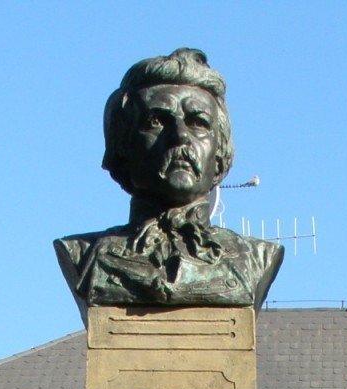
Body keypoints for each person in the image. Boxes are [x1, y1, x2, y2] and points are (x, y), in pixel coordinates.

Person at [54, 49, 283, 311]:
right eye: (156, 121)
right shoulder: (82, 254)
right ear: (122, 145)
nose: (180, 137)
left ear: (219, 151)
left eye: (198, 123)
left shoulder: (257, 258)